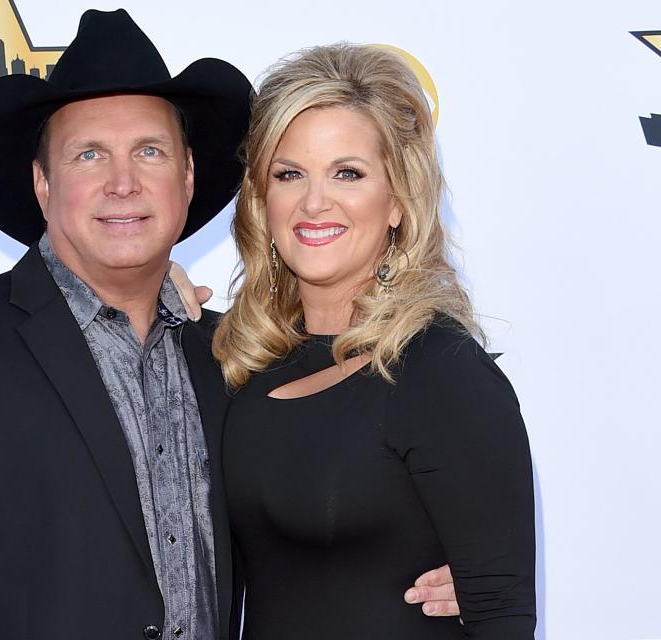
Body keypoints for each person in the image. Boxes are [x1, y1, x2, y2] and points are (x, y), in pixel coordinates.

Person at [0, 10, 460, 639]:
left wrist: (449, 569)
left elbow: (316, 516)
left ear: (185, 177)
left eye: (149, 152)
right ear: (43, 184)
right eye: (89, 155)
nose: (123, 183)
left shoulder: (239, 355)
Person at [210, 44, 536, 638]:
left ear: (397, 202)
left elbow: (502, 615)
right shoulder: (245, 360)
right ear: (262, 200)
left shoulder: (441, 372)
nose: (314, 202)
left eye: (348, 173)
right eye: (290, 174)